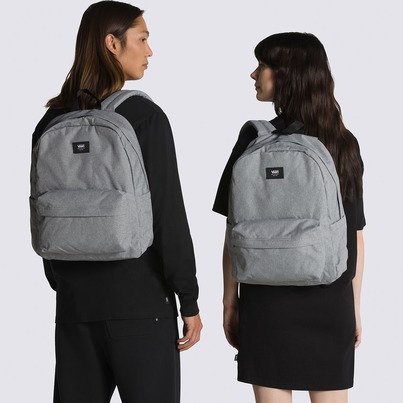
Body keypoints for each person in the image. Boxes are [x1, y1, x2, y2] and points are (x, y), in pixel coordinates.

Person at [31, 2, 202, 402]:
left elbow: (42, 209)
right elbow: (168, 216)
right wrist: (188, 299)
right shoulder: (144, 117)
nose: (149, 50)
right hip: (140, 303)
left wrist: (66, 282)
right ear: (113, 43)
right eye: (142, 39)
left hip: (75, 307)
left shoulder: (51, 121)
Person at [213, 32, 366, 403]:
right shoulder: (341, 142)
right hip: (329, 301)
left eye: (262, 65)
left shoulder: (253, 140)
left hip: (265, 301)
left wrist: (230, 301)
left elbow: (235, 231)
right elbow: (354, 235)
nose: (254, 74)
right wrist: (354, 308)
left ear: (287, 74)